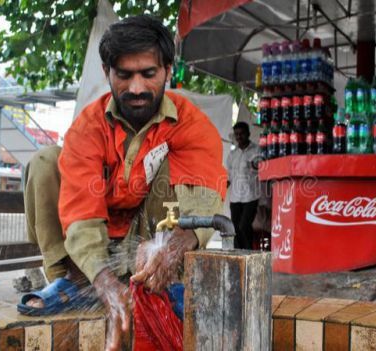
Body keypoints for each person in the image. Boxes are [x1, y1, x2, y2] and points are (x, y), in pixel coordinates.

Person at [16, 15, 226, 351]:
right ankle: (72, 281)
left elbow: (203, 198)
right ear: (107, 73)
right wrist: (103, 280)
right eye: (124, 75)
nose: (137, 88)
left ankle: (161, 279)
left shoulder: (190, 124)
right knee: (43, 162)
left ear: (168, 70)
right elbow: (81, 213)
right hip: (92, 246)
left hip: (147, 239)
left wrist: (171, 248)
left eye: (149, 74)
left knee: (173, 172)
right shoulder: (87, 128)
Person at [227, 122, 261, 249]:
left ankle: (248, 253)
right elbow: (229, 176)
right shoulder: (232, 154)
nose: (239, 137)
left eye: (241, 134)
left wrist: (255, 165)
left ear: (248, 134)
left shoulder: (257, 150)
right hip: (235, 198)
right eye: (237, 134)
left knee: (244, 226)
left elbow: (262, 168)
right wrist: (219, 190)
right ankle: (237, 254)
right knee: (234, 228)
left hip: (250, 197)